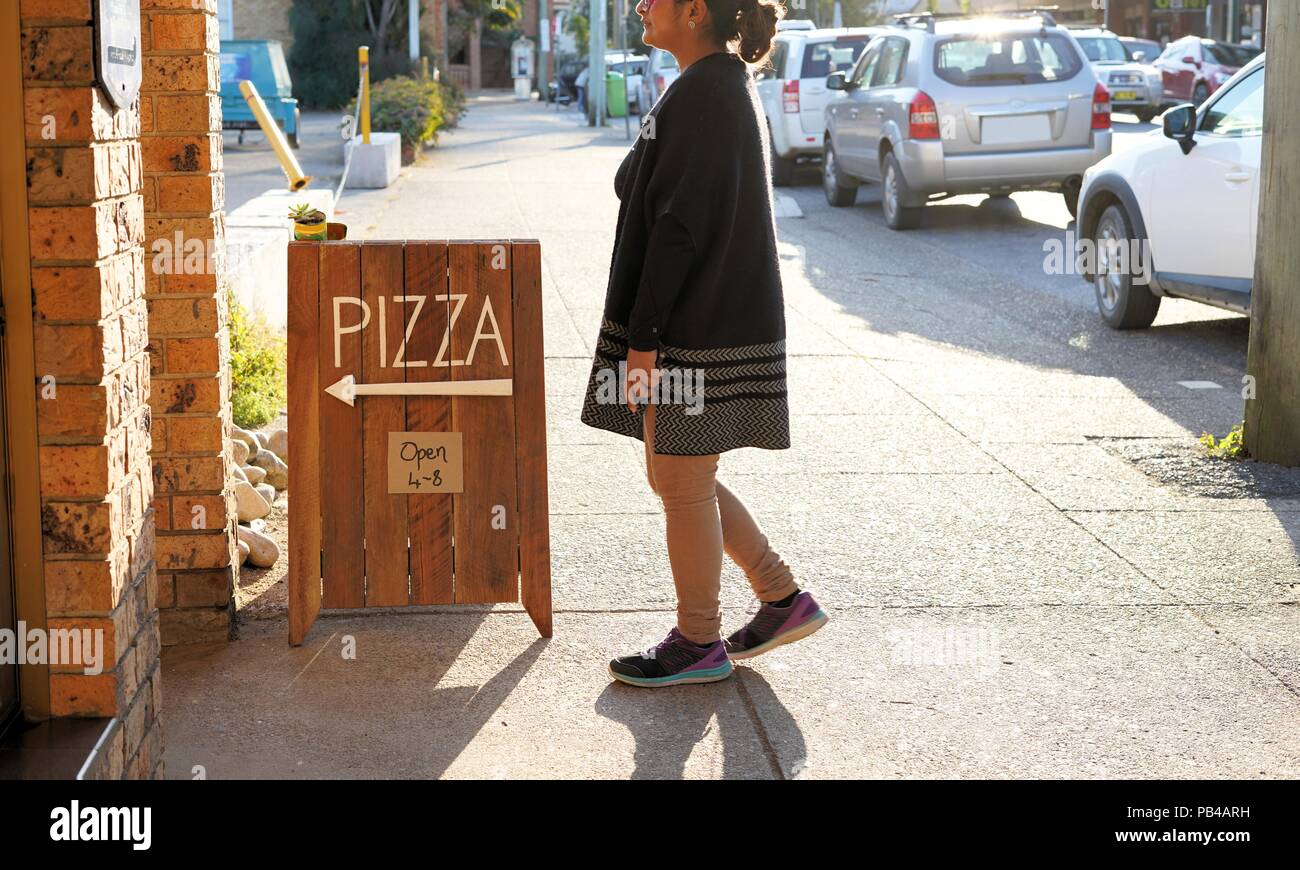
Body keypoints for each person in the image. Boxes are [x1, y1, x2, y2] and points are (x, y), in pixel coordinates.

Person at [579, 0, 828, 688]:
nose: (639, 7)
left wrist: (645, 341)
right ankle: (781, 598)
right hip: (707, 318)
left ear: (693, 10)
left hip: (695, 326)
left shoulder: (709, 91)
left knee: (682, 477)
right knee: (678, 473)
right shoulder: (709, 85)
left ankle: (698, 641)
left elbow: (678, 229)